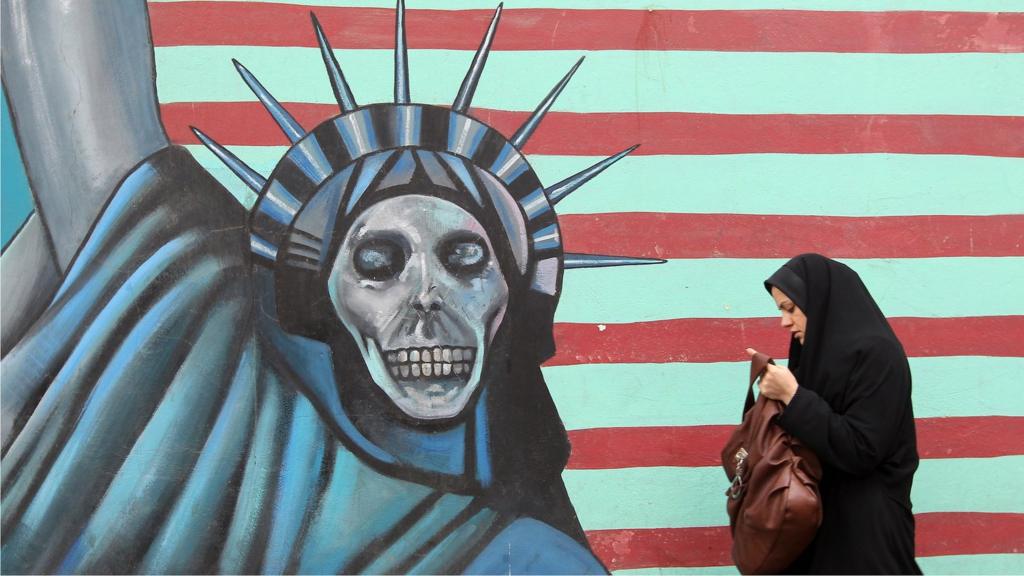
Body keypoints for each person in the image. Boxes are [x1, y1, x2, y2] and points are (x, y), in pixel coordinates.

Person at [0, 1, 662, 572]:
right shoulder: (225, 399)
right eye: (379, 261)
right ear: (324, 301)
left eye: (465, 258)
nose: (427, 297)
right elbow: (90, 126)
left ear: (511, 302)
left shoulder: (531, 559)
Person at [746, 253, 921, 574]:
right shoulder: (815, 357)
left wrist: (793, 396)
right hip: (815, 525)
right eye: (780, 310)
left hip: (866, 534)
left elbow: (863, 449)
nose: (785, 321)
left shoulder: (878, 355)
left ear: (821, 303)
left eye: (790, 309)